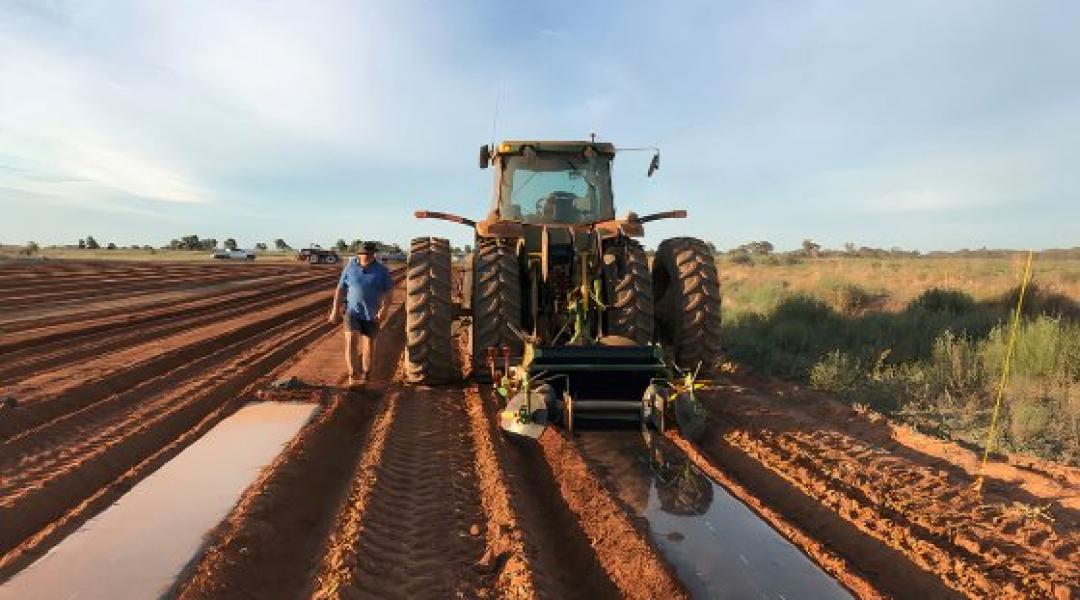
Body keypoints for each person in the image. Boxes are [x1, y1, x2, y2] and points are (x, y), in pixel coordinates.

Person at [328, 242, 394, 387]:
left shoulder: (382, 271)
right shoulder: (350, 268)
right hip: (352, 312)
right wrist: (335, 310)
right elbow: (340, 289)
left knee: (369, 345)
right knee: (351, 340)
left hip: (372, 314)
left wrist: (385, 308)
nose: (366, 256)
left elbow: (389, 291)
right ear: (358, 254)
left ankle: (366, 375)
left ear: (373, 254)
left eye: (369, 254)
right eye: (363, 254)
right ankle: (353, 374)